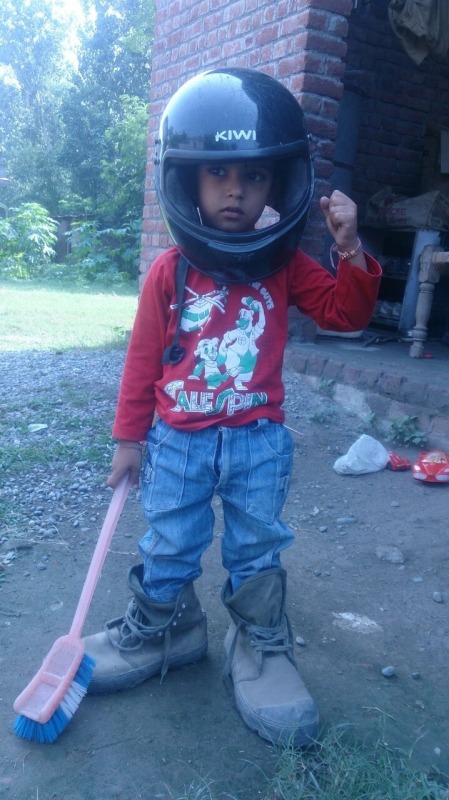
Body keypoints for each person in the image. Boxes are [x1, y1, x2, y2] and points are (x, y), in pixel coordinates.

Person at [84, 67, 382, 747]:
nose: (235, 191)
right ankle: (167, 628)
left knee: (255, 546)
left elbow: (344, 314)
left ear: (275, 185)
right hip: (178, 441)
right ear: (187, 179)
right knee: (169, 537)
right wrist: (129, 437)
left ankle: (259, 643)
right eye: (218, 174)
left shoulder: (283, 263)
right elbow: (140, 362)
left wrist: (346, 249)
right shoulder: (172, 270)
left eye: (252, 178)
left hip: (256, 440)